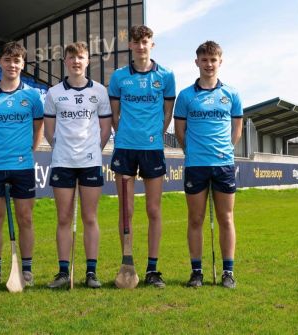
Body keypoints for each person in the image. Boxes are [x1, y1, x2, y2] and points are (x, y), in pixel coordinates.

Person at [108, 25, 176, 288]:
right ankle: (127, 262)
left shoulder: (166, 76)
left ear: (152, 45)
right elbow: (114, 116)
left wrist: (154, 135)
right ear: (130, 46)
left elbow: (167, 114)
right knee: (126, 210)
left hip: (152, 150)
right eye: (136, 42)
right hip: (125, 149)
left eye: (145, 41)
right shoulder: (119, 77)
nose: (141, 46)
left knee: (153, 209)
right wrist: (126, 134)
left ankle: (152, 269)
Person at [174, 41, 243, 289]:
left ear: (220, 62)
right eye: (204, 60)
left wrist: (227, 149)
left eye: (213, 60)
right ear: (197, 63)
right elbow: (180, 131)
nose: (209, 64)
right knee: (195, 219)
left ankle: (228, 272)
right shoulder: (185, 96)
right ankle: (196, 272)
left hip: (223, 164)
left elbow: (237, 128)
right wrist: (190, 151)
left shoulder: (232, 94)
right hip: (196, 165)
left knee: (226, 218)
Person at [44, 42, 112, 289]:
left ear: (87, 61)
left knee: (89, 217)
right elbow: (49, 131)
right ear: (65, 61)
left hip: (90, 162)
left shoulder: (100, 92)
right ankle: (63, 272)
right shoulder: (53, 93)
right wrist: (60, 148)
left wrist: (94, 149)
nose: (76, 62)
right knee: (63, 218)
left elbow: (105, 128)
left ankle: (91, 272)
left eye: (80, 57)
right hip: (62, 161)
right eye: (71, 58)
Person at [0, 41, 43, 288]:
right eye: (7, 60)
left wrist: (30, 152)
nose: (12, 65)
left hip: (23, 166)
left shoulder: (32, 96)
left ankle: (26, 270)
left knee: (25, 218)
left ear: (22, 64)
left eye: (16, 61)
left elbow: (38, 128)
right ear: (0, 63)